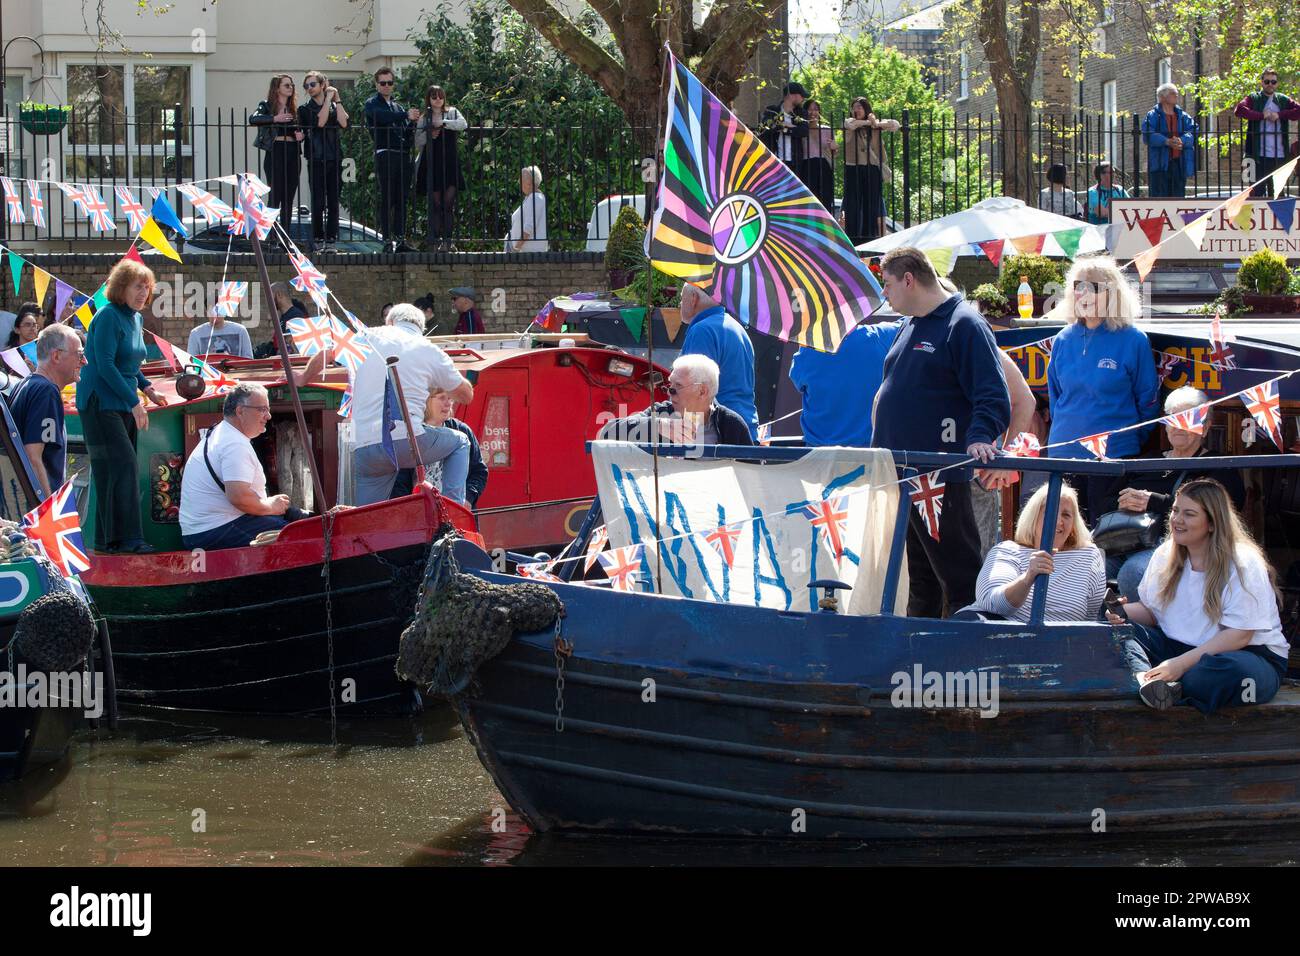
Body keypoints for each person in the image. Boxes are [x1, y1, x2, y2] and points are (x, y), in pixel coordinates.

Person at [872, 247, 1010, 618]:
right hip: (902, 470)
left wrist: (981, 436)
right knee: (920, 577)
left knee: (959, 575)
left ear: (909, 279)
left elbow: (993, 395)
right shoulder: (912, 323)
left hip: (936, 475)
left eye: (887, 284)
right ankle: (919, 656)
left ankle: (969, 655)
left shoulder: (964, 324)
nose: (884, 293)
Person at [1108, 479, 1290, 714]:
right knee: (1114, 634)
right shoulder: (1166, 554)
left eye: (1189, 514)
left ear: (1212, 523)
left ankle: (1162, 685)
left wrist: (1180, 665)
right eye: (1175, 511)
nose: (1177, 520)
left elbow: (1240, 636)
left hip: (1246, 655)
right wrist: (1118, 612)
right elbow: (1152, 612)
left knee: (1223, 673)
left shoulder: (1243, 562)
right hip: (1178, 648)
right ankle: (1151, 681)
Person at [1105, 386, 1246, 601]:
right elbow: (1106, 499)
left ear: (1205, 428)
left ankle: (1145, 633)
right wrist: (1123, 502)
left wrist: (1153, 502)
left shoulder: (1217, 466)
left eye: (1188, 418)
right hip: (1123, 540)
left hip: (1177, 546)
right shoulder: (1147, 460)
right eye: (1173, 418)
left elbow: (1219, 513)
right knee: (1089, 567)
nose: (1179, 425)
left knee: (1133, 573)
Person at [1047, 257, 1160, 523]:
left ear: (1112, 293)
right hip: (1063, 455)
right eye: (1078, 285)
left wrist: (1128, 440)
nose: (1082, 293)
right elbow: (1056, 397)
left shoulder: (1133, 340)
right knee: (1062, 535)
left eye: (1091, 287)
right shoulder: (1062, 339)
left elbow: (1148, 401)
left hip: (1113, 457)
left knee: (1104, 538)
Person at [76, 258, 170, 554]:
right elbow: (103, 364)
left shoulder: (136, 319)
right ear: (120, 288)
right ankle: (129, 540)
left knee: (115, 469)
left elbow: (128, 362)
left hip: (121, 398)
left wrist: (148, 388)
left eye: (147, 287)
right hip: (100, 401)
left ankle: (108, 541)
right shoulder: (106, 316)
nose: (143, 293)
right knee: (122, 466)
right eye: (137, 286)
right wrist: (134, 403)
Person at [351, 303, 474, 505]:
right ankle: (453, 512)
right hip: (404, 441)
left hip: (363, 447)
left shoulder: (366, 336)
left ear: (390, 321)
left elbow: (327, 353)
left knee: (367, 518)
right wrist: (449, 381)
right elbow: (466, 395)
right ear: (421, 328)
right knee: (460, 441)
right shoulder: (429, 349)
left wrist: (302, 378)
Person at [179, 383, 312, 551]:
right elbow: (238, 497)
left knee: (298, 525)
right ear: (240, 411)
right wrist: (271, 506)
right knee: (302, 537)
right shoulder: (234, 444)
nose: (269, 416)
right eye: (262, 409)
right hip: (214, 531)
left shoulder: (220, 434)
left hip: (203, 531)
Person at [964, 482, 1106, 623]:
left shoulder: (1088, 555)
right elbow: (994, 604)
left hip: (1057, 642)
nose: (1057, 521)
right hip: (998, 636)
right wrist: (1028, 577)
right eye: (1050, 512)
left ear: (1074, 524)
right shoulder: (1007, 551)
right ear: (1033, 517)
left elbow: (1091, 618)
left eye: (1066, 515)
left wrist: (1111, 616)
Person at [790, 320, 902, 447]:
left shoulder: (809, 348)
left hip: (818, 456)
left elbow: (798, 380)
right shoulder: (882, 336)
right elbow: (910, 321)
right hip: (867, 455)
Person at [601, 354, 753, 446]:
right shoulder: (661, 413)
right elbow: (605, 432)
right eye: (670, 384)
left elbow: (751, 479)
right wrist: (658, 426)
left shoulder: (732, 425)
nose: (669, 391)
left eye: (678, 386)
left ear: (702, 391)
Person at [9, 324, 84, 499]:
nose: (84, 361)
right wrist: (48, 510)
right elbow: (33, 457)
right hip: (35, 513)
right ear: (56, 356)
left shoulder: (25, 384)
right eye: (79, 354)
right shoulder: (46, 392)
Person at [679, 283, 758, 440]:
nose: (680, 304)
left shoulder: (702, 330)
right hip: (745, 429)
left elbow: (693, 391)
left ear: (693, 298)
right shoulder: (737, 328)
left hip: (716, 435)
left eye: (681, 298)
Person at [394, 388, 489, 506]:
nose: (448, 403)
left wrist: (468, 498)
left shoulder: (461, 430)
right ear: (426, 400)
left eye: (450, 398)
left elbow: (479, 471)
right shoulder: (411, 433)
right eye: (442, 398)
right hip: (419, 514)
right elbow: (398, 481)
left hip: (455, 514)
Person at [364, 67, 419, 253]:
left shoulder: (398, 106)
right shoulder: (372, 103)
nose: (387, 86)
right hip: (385, 153)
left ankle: (400, 238)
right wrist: (405, 115)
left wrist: (412, 122)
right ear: (377, 84)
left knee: (401, 198)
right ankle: (387, 240)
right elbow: (381, 117)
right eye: (383, 83)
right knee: (387, 197)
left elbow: (405, 134)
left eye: (390, 83)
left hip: (402, 155)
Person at [297, 70, 349, 252]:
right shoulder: (305, 109)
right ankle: (319, 238)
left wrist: (338, 99)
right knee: (318, 202)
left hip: (335, 157)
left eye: (312, 84)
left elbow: (344, 123)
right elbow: (320, 122)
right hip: (316, 158)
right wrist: (327, 101)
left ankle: (331, 240)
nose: (309, 88)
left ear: (322, 85)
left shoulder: (335, 106)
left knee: (334, 201)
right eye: (307, 86)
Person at [412, 85, 468, 252]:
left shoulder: (452, 111)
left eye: (440, 96)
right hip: (431, 163)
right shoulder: (424, 118)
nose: (438, 100)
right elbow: (416, 141)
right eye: (434, 96)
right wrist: (429, 135)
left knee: (448, 203)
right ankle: (435, 242)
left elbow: (463, 124)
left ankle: (448, 241)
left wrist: (443, 123)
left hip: (449, 162)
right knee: (435, 205)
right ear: (428, 99)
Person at [1234, 68, 1300, 197]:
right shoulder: (1254, 98)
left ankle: (1276, 217)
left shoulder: (1282, 99)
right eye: (1267, 81)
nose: (1270, 84)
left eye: (1273, 82)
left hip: (1279, 155)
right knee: (1255, 192)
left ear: (1277, 84)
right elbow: (1239, 110)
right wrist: (1261, 115)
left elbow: (1298, 111)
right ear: (1262, 82)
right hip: (1257, 155)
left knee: (1278, 193)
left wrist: (1280, 115)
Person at [842, 96, 898, 244]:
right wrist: (870, 122)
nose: (856, 110)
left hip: (872, 168)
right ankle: (853, 238)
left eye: (859, 107)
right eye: (854, 107)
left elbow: (896, 124)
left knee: (871, 204)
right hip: (853, 168)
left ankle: (870, 237)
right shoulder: (850, 121)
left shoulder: (876, 126)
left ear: (866, 109)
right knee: (853, 204)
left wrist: (876, 123)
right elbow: (850, 125)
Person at [250, 74, 304, 225]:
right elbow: (253, 119)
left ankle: (285, 237)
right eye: (287, 85)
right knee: (275, 196)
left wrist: (301, 136)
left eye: (292, 85)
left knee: (288, 198)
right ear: (277, 88)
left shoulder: (294, 109)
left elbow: (300, 131)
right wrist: (275, 119)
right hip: (276, 152)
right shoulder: (267, 105)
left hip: (293, 152)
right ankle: (271, 237)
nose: (291, 88)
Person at [1142, 83, 1198, 199]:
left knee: (1178, 199)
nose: (1176, 95)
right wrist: (1166, 141)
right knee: (1159, 199)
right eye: (1173, 93)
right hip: (1160, 165)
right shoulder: (1152, 115)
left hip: (1179, 163)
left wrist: (1181, 140)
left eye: (1176, 93)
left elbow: (1194, 131)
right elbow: (1148, 135)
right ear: (1162, 97)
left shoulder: (1183, 116)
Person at [758, 82, 808, 176]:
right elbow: (765, 129)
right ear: (792, 96)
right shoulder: (772, 110)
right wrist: (787, 126)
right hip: (775, 160)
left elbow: (804, 131)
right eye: (801, 96)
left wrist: (785, 129)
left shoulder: (801, 113)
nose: (803, 99)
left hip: (794, 161)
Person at [799, 99, 837, 214]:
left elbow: (834, 154)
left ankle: (826, 228)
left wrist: (835, 147)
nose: (813, 112)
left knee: (825, 200)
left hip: (824, 166)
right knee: (808, 201)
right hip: (806, 167)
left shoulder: (826, 129)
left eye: (816, 109)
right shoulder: (801, 130)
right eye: (809, 109)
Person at [505, 166, 548, 252]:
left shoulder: (535, 198)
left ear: (531, 182)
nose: (519, 182)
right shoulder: (531, 198)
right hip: (521, 250)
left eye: (522, 179)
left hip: (525, 252)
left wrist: (516, 248)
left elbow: (529, 227)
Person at [187, 311, 253, 359]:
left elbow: (248, 359)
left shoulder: (240, 330)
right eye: (211, 311)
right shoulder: (196, 333)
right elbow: (191, 361)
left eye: (218, 311)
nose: (215, 315)